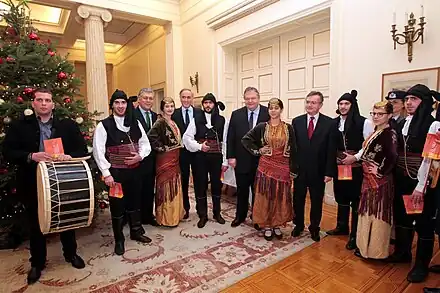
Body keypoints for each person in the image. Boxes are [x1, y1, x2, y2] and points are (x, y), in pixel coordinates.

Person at [2, 88, 87, 284]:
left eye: (47, 100)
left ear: (53, 105)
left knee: (66, 218)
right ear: (33, 104)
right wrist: (31, 156)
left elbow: (81, 149)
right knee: (36, 224)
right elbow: (7, 151)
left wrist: (69, 156)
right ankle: (37, 263)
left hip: (63, 179)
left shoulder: (68, 125)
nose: (43, 103)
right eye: (39, 100)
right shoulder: (19, 125)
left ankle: (71, 254)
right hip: (33, 181)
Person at [93, 89, 152, 256]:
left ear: (127, 104)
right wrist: (106, 173)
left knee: (135, 203)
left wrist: (140, 156)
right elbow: (98, 150)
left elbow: (145, 144)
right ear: (112, 105)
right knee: (117, 207)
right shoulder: (103, 125)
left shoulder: (135, 123)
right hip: (116, 174)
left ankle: (136, 231)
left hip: (134, 171)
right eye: (117, 103)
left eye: (123, 102)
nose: (120, 106)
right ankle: (119, 240)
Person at [388, 84, 437, 283]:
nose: (409, 103)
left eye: (414, 99)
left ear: (423, 102)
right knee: (402, 216)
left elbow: (432, 160)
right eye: (407, 99)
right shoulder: (401, 124)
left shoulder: (433, 125)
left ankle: (421, 265)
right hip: (402, 178)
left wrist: (420, 186)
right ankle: (403, 252)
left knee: (424, 223)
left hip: (423, 182)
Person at [241, 98, 298, 240]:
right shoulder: (262, 126)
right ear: (268, 110)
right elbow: (245, 139)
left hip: (283, 167)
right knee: (266, 196)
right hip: (265, 166)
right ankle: (267, 225)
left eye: (276, 108)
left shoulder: (288, 128)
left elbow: (295, 148)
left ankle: (277, 224)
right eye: (271, 108)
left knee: (279, 196)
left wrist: (293, 169)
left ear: (281, 110)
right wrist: (258, 150)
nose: (273, 110)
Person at [327, 90, 374, 250]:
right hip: (340, 167)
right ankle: (342, 226)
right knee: (341, 197)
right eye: (340, 103)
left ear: (352, 105)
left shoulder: (364, 122)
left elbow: (368, 146)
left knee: (355, 200)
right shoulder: (334, 123)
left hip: (356, 167)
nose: (343, 106)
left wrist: (354, 158)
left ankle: (354, 234)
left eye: (346, 103)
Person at [354, 101, 397, 259]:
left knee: (377, 214)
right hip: (368, 179)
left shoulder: (389, 133)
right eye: (374, 113)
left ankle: (376, 251)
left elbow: (392, 157)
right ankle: (364, 247)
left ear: (389, 116)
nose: (376, 116)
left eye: (380, 114)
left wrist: (379, 170)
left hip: (379, 181)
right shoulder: (376, 130)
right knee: (367, 211)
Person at [291, 91, 336, 242]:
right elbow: (293, 148)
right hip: (300, 170)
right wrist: (292, 168)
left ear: (320, 105)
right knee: (298, 199)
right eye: (308, 102)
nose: (309, 105)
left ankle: (314, 227)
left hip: (319, 171)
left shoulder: (329, 123)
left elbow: (331, 150)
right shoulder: (296, 121)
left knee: (317, 201)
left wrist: (329, 172)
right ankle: (298, 225)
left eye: (313, 102)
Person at [227, 86, 269, 227]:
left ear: (258, 98)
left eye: (253, 98)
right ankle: (240, 216)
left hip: (261, 161)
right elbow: (230, 137)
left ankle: (257, 217)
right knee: (242, 190)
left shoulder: (268, 113)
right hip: (241, 160)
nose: (250, 101)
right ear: (244, 99)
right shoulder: (236, 114)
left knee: (259, 192)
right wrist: (231, 156)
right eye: (247, 98)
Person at [183, 93, 227, 228]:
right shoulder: (196, 119)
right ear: (203, 105)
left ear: (214, 104)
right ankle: (202, 215)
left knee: (216, 185)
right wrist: (199, 146)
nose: (208, 105)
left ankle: (217, 213)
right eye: (205, 103)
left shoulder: (222, 120)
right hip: (200, 157)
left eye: (210, 102)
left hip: (216, 157)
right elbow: (187, 138)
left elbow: (225, 141)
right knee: (200, 185)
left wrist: (225, 160)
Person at [148, 97, 185, 226]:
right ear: (162, 108)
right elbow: (150, 136)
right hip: (165, 158)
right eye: (167, 106)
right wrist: (162, 148)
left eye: (172, 106)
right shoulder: (160, 122)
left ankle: (175, 215)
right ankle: (166, 218)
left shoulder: (173, 121)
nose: (170, 109)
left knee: (175, 183)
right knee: (166, 184)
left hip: (175, 157)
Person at [172, 89, 201, 219]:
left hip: (196, 153)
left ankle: (201, 209)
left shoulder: (199, 113)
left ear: (192, 98)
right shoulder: (174, 114)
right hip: (181, 153)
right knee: (183, 181)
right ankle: (185, 208)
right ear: (180, 98)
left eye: (188, 97)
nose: (186, 100)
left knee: (199, 181)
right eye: (183, 97)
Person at [134, 88, 159, 226]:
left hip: (153, 158)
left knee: (150, 188)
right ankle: (136, 219)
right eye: (145, 98)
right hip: (138, 158)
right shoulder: (132, 115)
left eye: (150, 98)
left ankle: (148, 216)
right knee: (137, 189)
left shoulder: (156, 116)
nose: (148, 101)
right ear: (139, 99)